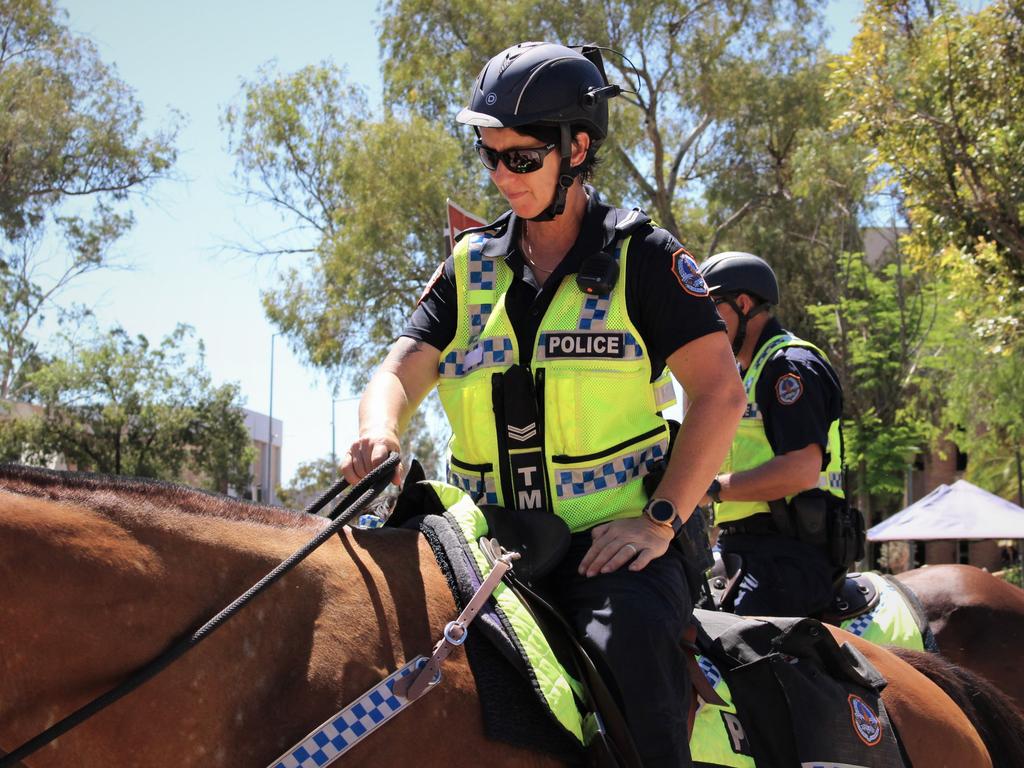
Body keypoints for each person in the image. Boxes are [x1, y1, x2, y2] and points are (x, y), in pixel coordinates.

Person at [341, 41, 745, 767]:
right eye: (488, 154)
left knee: (631, 661)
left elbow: (720, 392)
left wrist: (659, 522)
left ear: (577, 148)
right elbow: (401, 368)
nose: (501, 176)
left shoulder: (646, 259)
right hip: (484, 544)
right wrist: (378, 429)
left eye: (521, 157)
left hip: (615, 551)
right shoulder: (467, 267)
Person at [697, 251, 857, 618]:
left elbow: (800, 470)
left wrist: (713, 488)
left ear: (743, 304)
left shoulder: (789, 366)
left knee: (744, 655)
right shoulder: (742, 375)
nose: (703, 322)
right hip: (748, 549)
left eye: (712, 308)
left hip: (791, 555)